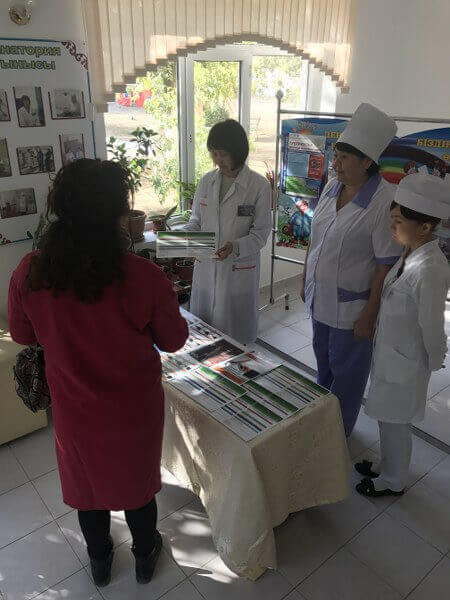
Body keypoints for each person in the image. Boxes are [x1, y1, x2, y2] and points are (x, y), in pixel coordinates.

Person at [8, 159, 188, 587]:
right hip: (134, 411)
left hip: (75, 410)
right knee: (137, 486)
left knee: (87, 489)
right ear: (117, 214)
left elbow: (22, 334)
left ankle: (100, 562)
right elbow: (174, 339)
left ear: (61, 209)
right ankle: (144, 557)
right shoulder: (144, 276)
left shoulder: (30, 272)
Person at [300, 103, 401, 436]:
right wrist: (305, 279)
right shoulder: (333, 186)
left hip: (352, 309)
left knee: (348, 375)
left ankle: (338, 434)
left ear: (367, 161)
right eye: (336, 155)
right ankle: (322, 421)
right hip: (320, 298)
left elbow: (386, 265)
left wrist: (370, 314)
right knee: (324, 365)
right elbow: (315, 238)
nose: (335, 163)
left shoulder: (383, 202)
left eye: (344, 158)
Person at [355, 174, 450, 497]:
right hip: (392, 355)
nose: (391, 227)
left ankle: (394, 481)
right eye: (392, 219)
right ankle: (386, 465)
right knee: (386, 417)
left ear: (424, 227)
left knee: (396, 423)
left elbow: (432, 325)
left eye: (398, 221)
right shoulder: (410, 252)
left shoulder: (431, 268)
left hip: (407, 363)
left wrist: (434, 360)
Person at [184, 119, 271, 344]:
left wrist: (235, 247)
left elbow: (260, 233)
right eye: (213, 153)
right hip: (205, 271)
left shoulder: (259, 186)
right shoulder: (206, 182)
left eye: (222, 154)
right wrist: (184, 237)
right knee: (203, 340)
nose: (217, 160)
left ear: (238, 152)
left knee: (235, 344)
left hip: (237, 273)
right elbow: (196, 220)